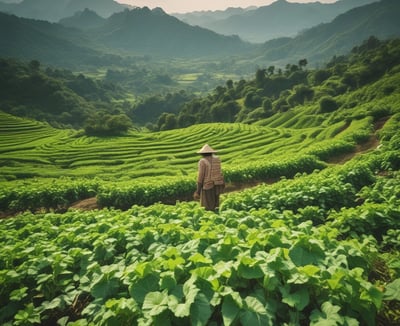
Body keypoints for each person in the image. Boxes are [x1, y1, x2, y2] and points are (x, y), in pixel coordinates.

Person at [193, 144, 225, 211]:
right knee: (215, 205)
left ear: (202, 154)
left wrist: (198, 191)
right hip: (217, 185)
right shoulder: (217, 160)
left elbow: (201, 176)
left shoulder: (203, 161)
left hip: (208, 186)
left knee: (207, 207)